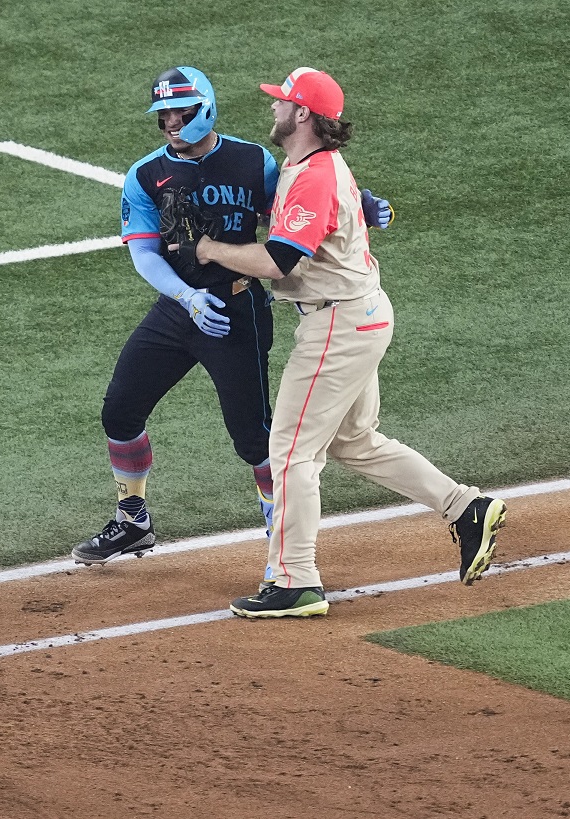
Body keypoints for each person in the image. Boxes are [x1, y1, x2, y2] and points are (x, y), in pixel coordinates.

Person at [187, 67, 507, 617]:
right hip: (359, 315)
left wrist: (210, 249)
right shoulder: (311, 165)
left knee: (289, 454)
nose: (273, 109)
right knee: (354, 441)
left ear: (303, 115)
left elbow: (278, 260)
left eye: (282, 102)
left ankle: (296, 581)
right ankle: (465, 507)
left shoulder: (313, 176)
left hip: (338, 325)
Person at [72, 66, 392, 568]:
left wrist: (360, 202)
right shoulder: (146, 175)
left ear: (204, 109)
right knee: (120, 409)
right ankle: (133, 519)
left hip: (239, 310)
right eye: (164, 115)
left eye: (180, 112)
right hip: (180, 310)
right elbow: (144, 254)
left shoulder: (253, 162)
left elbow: (296, 209)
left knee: (254, 438)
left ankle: (279, 538)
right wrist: (186, 298)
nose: (171, 124)